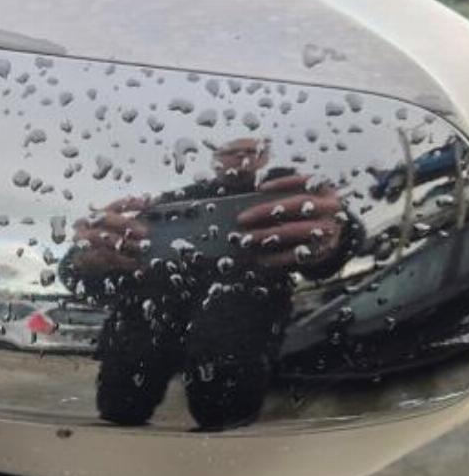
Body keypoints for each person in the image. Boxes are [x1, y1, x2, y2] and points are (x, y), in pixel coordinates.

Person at [64, 138, 355, 429]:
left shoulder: (291, 199)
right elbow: (101, 276)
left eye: (250, 151)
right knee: (118, 411)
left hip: (239, 358)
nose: (241, 157)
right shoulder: (171, 203)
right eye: (231, 152)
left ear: (264, 158)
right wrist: (84, 259)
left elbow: (331, 257)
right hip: (135, 353)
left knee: (227, 421)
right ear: (216, 159)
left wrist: (339, 234)